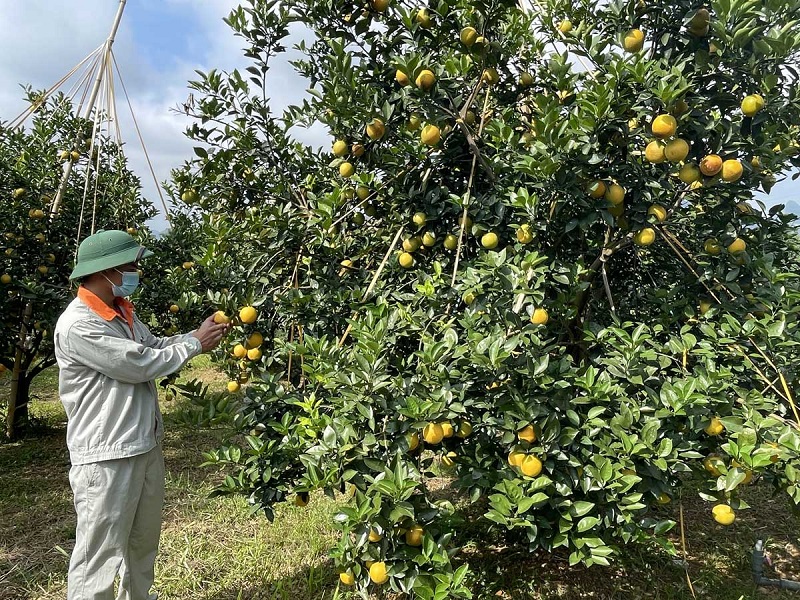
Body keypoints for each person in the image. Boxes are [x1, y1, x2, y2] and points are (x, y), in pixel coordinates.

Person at [54, 229, 230, 600]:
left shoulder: (122, 313)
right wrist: (195, 345)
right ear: (105, 271)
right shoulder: (80, 324)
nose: (135, 273)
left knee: (142, 547)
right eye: (130, 266)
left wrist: (195, 335)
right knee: (98, 559)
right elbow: (138, 364)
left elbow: (153, 346)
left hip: (143, 446)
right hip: (106, 455)